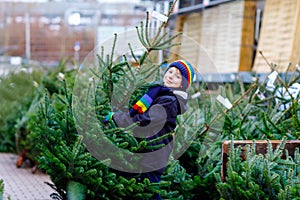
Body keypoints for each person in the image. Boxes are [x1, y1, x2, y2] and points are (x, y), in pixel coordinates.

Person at [104, 60, 195, 199]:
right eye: (170, 72)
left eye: (177, 76)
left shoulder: (169, 101)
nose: (171, 76)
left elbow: (144, 120)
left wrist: (116, 118)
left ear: (182, 85)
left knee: (150, 188)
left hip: (155, 151)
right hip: (147, 148)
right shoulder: (158, 92)